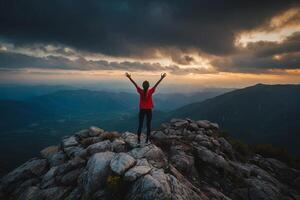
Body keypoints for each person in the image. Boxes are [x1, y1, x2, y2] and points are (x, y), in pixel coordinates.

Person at [125, 72, 167, 144]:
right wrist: (162, 78)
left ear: (143, 86)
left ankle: (138, 139)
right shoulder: (150, 91)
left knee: (140, 124)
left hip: (142, 110)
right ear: (148, 86)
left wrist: (129, 77)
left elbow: (135, 84)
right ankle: (147, 140)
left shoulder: (140, 91)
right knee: (148, 125)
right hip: (149, 110)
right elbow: (156, 84)